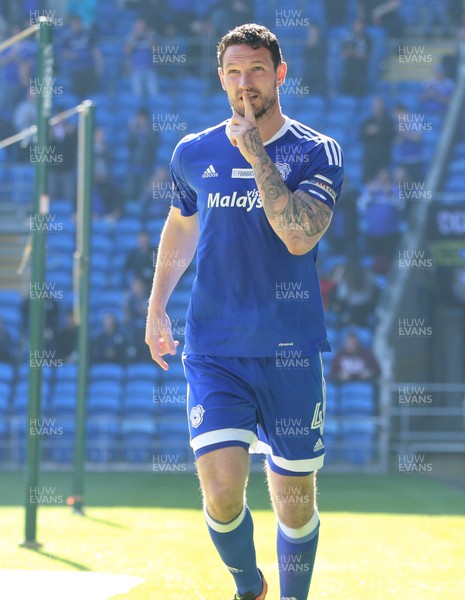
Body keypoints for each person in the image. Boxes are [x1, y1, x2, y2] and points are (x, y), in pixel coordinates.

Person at [145, 23, 344, 600]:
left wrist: (254, 149)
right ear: (220, 77)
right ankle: (247, 585)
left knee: (294, 502)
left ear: (279, 74)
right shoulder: (192, 152)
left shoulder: (316, 150)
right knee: (222, 492)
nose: (244, 82)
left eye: (256, 69)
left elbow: (298, 236)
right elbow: (181, 225)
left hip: (290, 349)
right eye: (233, 71)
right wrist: (157, 307)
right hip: (215, 348)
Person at [359, 97, 395, 182]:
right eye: (375, 106)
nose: (376, 108)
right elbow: (361, 135)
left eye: (379, 106)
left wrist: (378, 131)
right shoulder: (367, 121)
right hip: (369, 157)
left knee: (382, 180)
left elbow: (391, 135)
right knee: (368, 181)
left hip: (383, 157)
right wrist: (368, 132)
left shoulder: (389, 121)